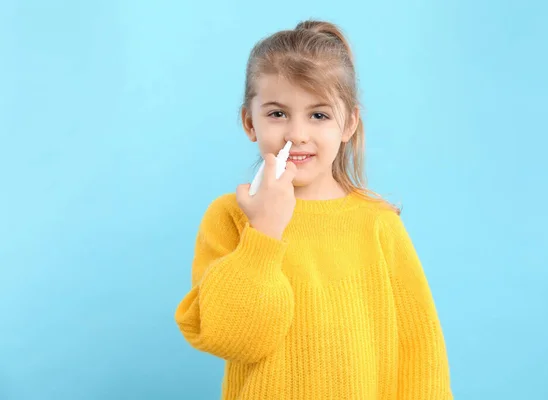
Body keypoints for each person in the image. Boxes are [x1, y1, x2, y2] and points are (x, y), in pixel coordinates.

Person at [174, 19, 453, 400]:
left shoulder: (378, 224)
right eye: (277, 114)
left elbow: (420, 352)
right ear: (249, 122)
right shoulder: (231, 217)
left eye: (318, 115)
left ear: (349, 123)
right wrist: (264, 232)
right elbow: (235, 339)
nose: (297, 134)